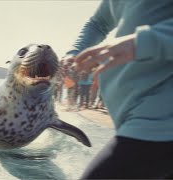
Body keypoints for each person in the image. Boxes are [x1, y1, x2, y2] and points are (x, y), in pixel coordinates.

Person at [64, 0, 173, 178]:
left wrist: (141, 42)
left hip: (160, 118)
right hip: (130, 115)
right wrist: (75, 52)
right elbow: (98, 23)